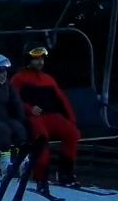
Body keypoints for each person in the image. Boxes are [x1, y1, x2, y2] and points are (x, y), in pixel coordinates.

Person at [12, 45, 82, 188]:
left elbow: (62, 99)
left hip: (50, 116)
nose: (40, 62)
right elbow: (13, 99)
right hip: (32, 118)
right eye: (36, 59)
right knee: (41, 138)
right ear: (28, 60)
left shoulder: (48, 79)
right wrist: (29, 108)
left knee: (73, 134)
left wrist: (71, 120)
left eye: (42, 59)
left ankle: (65, 173)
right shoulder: (19, 79)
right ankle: (41, 176)